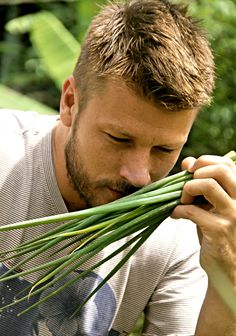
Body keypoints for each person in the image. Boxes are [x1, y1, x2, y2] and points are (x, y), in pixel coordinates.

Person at [0, 0, 235, 335]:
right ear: (70, 102)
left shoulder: (180, 239)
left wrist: (229, 276)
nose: (139, 176)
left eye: (164, 149)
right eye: (119, 139)